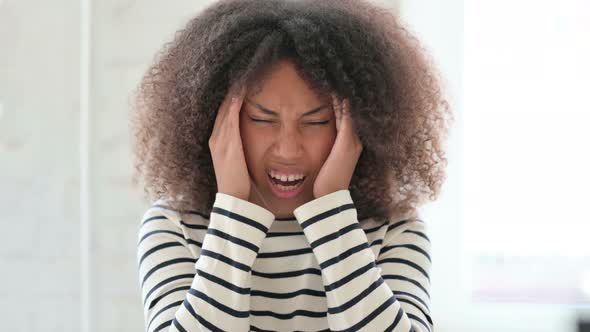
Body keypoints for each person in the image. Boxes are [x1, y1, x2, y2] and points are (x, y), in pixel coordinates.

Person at [130, 0, 453, 331]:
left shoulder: (393, 230)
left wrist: (332, 213)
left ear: (359, 127)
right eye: (261, 119)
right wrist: (233, 214)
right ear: (217, 121)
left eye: (316, 121)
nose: (288, 149)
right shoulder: (175, 227)